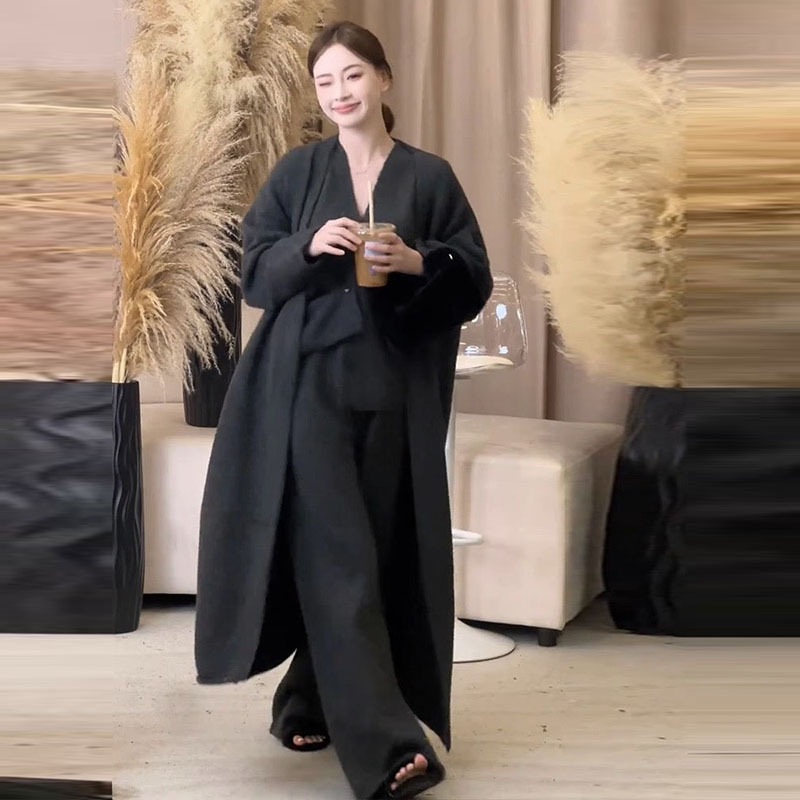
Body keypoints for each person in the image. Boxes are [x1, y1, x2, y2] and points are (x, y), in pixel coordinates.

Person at [194, 19, 492, 800]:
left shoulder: (430, 177)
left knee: (377, 555)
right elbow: (254, 275)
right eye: (324, 81)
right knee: (341, 561)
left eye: (352, 75)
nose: (339, 92)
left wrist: (419, 260)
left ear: (383, 79)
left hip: (393, 394)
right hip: (307, 393)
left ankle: (307, 700)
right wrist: (307, 246)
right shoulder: (299, 172)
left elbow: (474, 277)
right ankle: (387, 749)